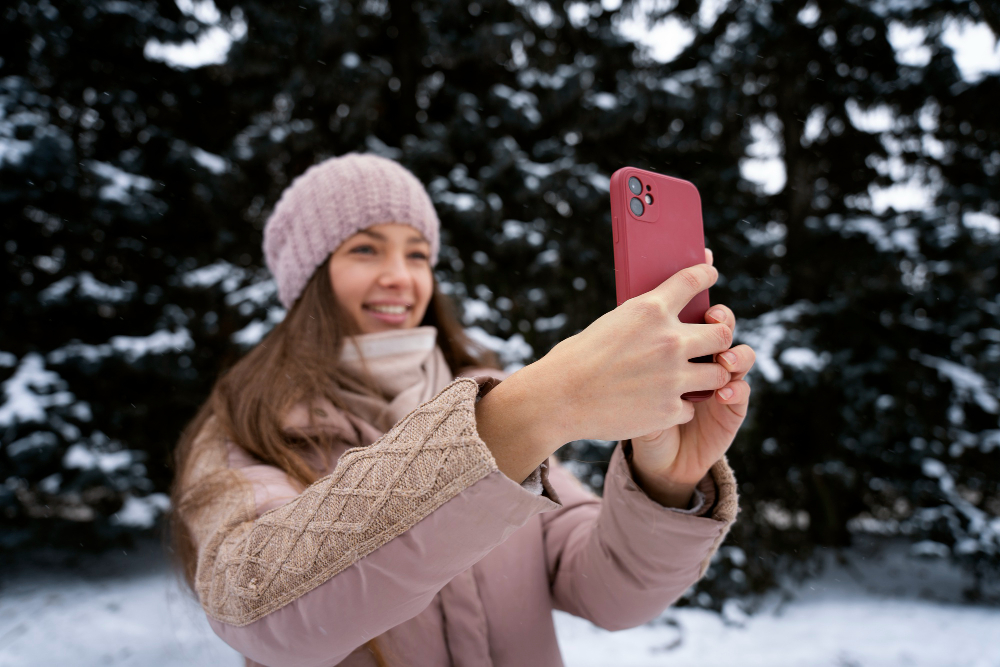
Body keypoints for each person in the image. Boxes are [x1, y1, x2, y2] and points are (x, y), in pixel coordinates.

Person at [170, 153, 756, 667]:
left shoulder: (487, 397)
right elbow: (252, 606)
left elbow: (609, 591)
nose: (400, 277)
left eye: (417, 254)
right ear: (307, 276)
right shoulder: (249, 427)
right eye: (365, 249)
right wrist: (532, 412)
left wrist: (665, 486)